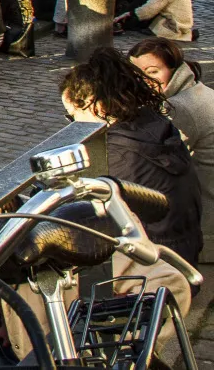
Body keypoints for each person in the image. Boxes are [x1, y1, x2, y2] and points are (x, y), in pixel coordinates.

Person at [0, 153, 193, 370]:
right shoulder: (4, 227)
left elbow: (170, 284)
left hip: (52, 359)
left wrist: (94, 341)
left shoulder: (69, 234)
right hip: (18, 345)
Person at [60, 48, 203, 265]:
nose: (73, 125)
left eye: (72, 116)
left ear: (94, 103)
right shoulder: (153, 125)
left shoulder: (116, 153)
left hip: (152, 269)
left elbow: (85, 218)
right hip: (181, 253)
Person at [130, 37, 214, 260]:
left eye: (153, 72)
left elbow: (158, 167)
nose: (144, 80)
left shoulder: (178, 108)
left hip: (205, 228)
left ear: (173, 69)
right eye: (137, 74)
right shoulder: (198, 91)